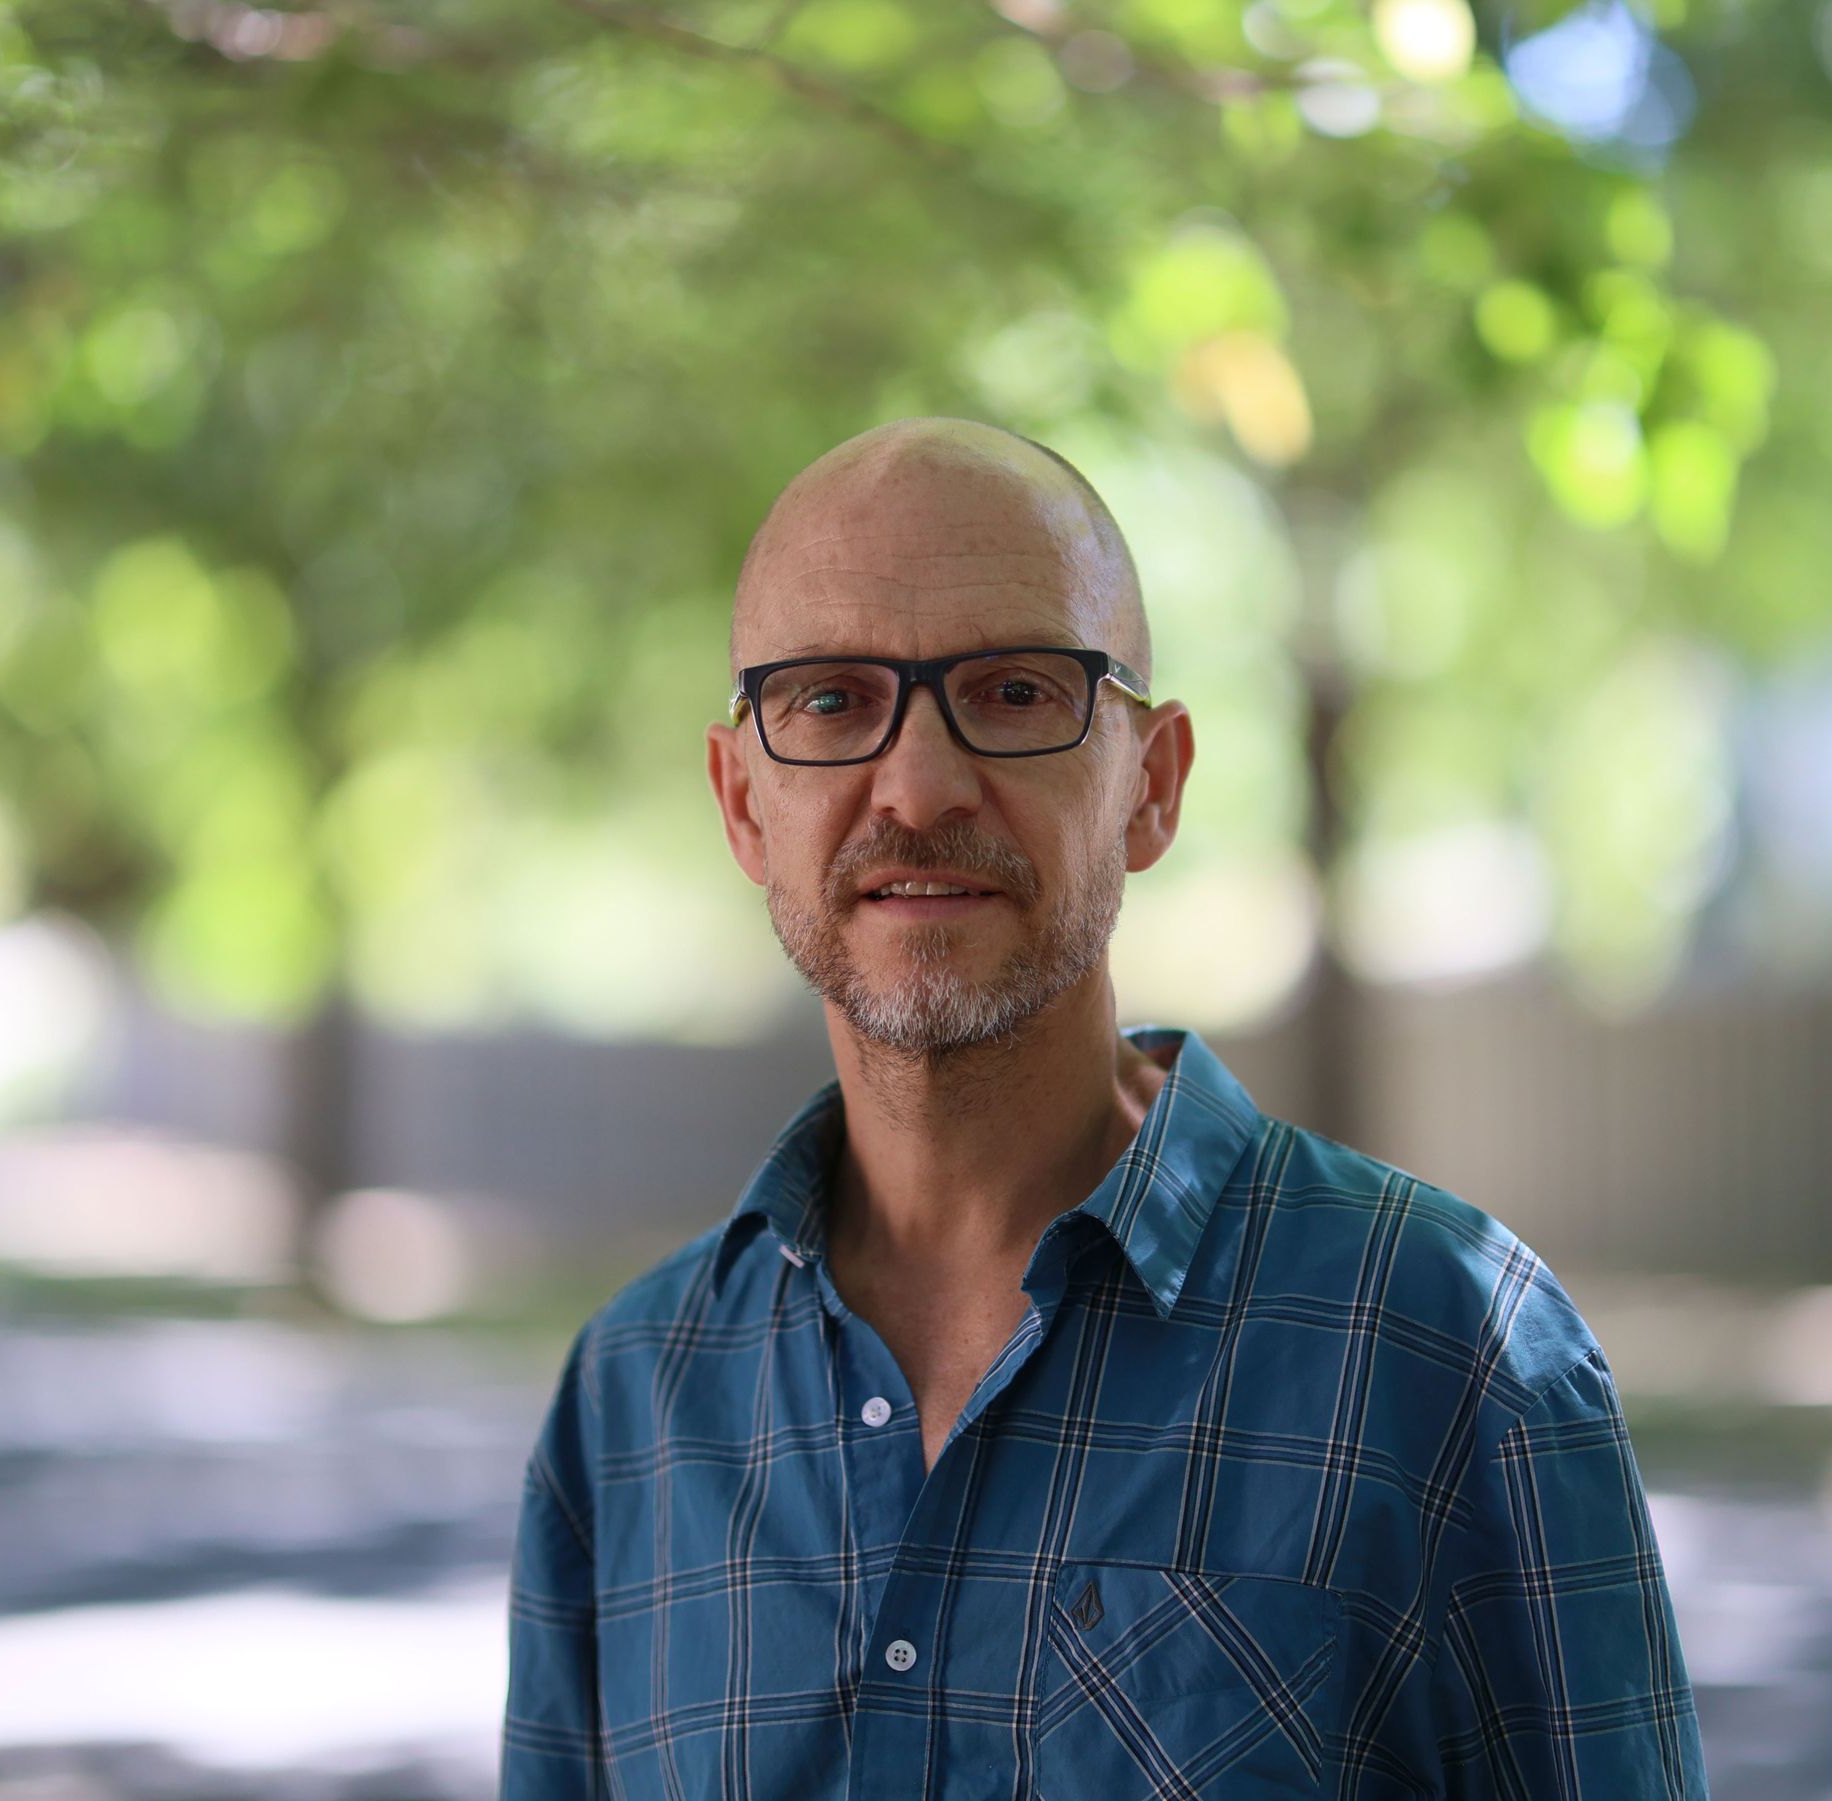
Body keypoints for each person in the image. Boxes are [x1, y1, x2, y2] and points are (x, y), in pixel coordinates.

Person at [500, 418, 1709, 1798]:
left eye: (1014, 691)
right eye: (831, 700)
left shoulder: (1451, 1352)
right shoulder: (630, 1404)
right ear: (740, 804)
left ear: (1155, 783)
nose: (919, 783)